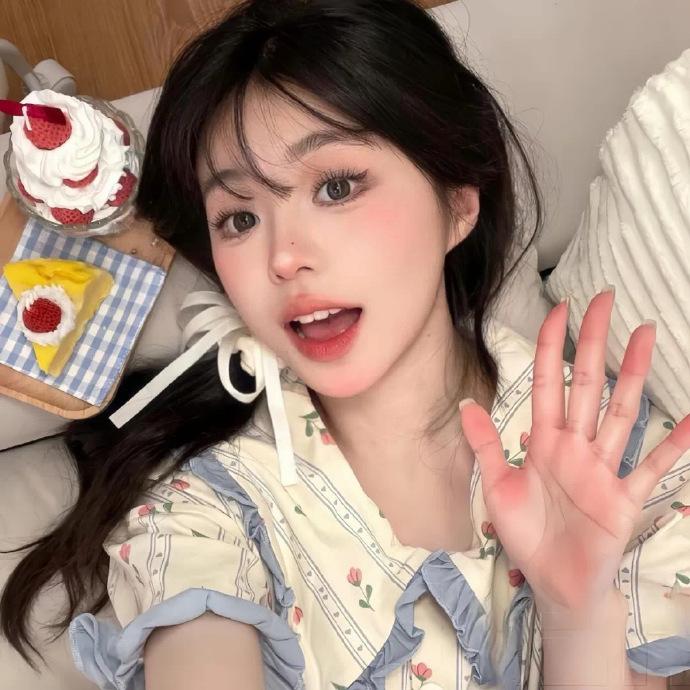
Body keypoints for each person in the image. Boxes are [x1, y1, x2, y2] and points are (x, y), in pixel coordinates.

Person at [1, 1, 689, 688]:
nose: (282, 258)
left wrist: (578, 617)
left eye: (335, 187)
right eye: (238, 218)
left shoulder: (624, 471)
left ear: (457, 203)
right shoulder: (205, 518)